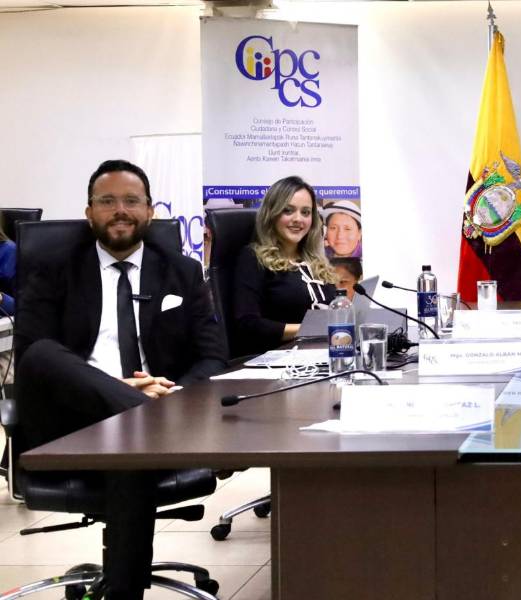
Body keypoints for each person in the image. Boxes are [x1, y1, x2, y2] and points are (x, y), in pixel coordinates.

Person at [13, 159, 228, 600]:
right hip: (71, 422)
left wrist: (173, 396)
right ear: (89, 212)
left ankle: (123, 593)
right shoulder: (53, 268)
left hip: (158, 420)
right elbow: (33, 356)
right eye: (107, 201)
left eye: (131, 201)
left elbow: (213, 357)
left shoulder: (182, 271)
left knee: (130, 443)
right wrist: (127, 391)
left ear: (150, 210)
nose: (120, 211)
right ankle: (141, 414)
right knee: (43, 353)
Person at [232, 176, 338, 356]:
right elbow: (248, 324)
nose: (298, 219)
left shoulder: (317, 262)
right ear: (272, 214)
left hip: (322, 354)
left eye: (306, 212)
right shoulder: (253, 258)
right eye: (288, 211)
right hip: (276, 360)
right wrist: (309, 329)